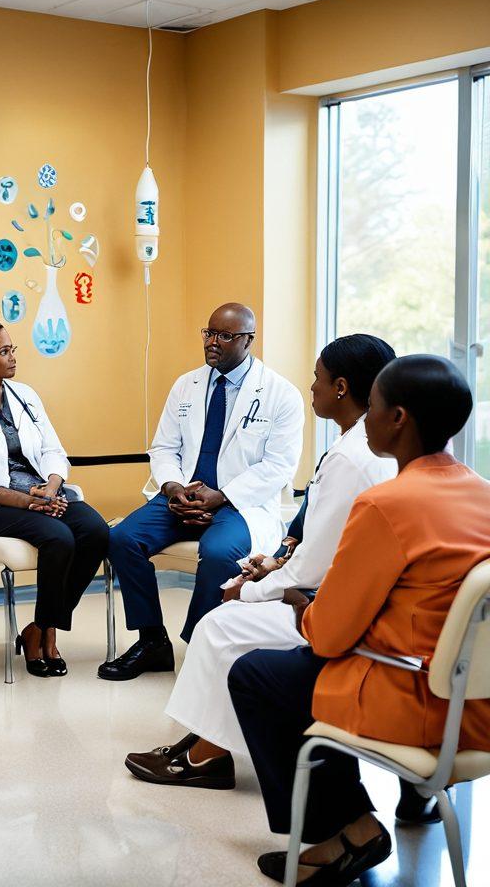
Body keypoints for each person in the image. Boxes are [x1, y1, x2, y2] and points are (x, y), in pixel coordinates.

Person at [229, 355, 490, 886]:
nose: (364, 419)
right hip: (477, 707)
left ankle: (346, 831)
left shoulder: (385, 505)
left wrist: (302, 605)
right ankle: (406, 802)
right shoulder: (482, 492)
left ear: (398, 418)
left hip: (416, 704)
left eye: (370, 407)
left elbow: (328, 636)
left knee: (259, 675)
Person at [125, 334, 396, 789]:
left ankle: (205, 755)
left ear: (342, 387)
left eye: (318, 378)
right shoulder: (365, 447)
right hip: (335, 587)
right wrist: (275, 564)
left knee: (219, 623)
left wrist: (251, 588)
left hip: (337, 604)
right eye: (209, 332)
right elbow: (321, 542)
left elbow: (315, 559)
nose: (312, 386)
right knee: (125, 540)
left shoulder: (350, 455)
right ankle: (199, 733)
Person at [99, 303, 304, 680]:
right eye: (209, 333)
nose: (212, 342)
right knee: (122, 538)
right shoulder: (186, 385)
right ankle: (152, 641)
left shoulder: (281, 394)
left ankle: (201, 647)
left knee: (220, 552)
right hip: (181, 497)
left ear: (248, 340)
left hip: (239, 504)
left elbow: (279, 466)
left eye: (225, 336)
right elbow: (164, 448)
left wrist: (222, 496)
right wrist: (173, 487)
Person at [0, 318, 110, 676]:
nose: (13, 357)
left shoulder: (26, 396)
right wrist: (30, 501)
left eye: (12, 349)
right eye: (4, 351)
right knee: (58, 536)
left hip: (41, 494)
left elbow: (53, 450)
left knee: (95, 531)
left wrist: (51, 487)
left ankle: (42, 626)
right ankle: (43, 637)